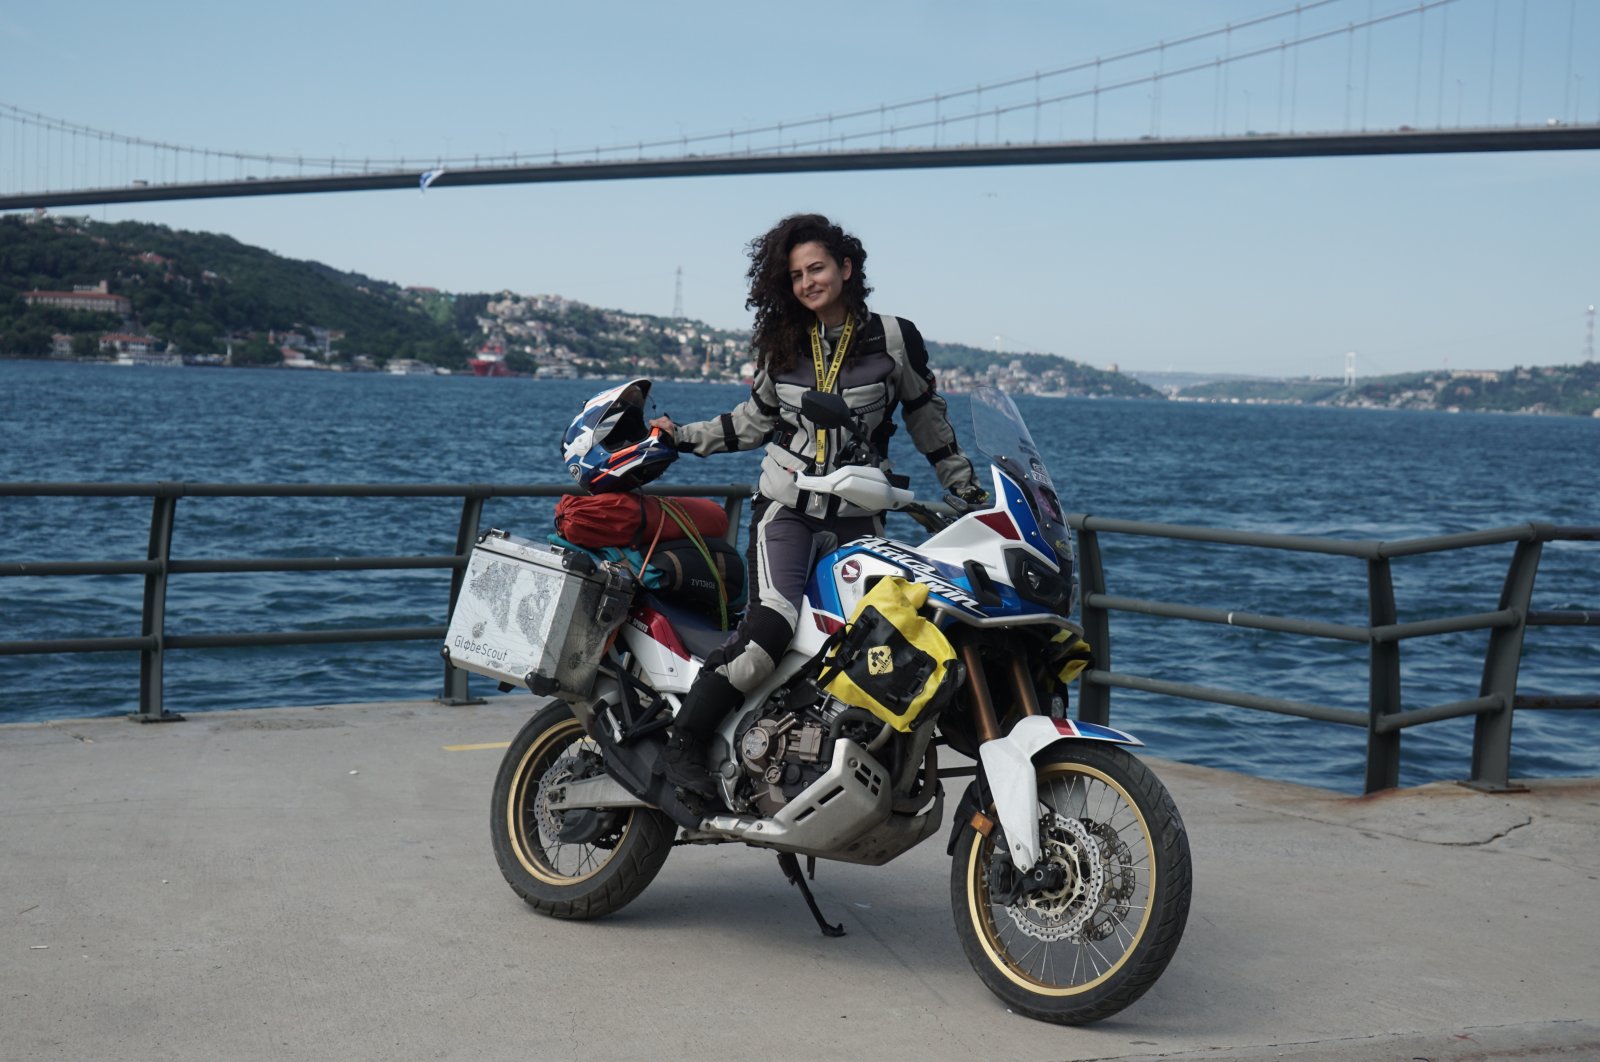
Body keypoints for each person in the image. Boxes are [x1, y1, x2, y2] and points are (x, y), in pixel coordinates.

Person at [648, 212, 988, 795]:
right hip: (789, 509)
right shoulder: (783, 343)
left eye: (818, 268)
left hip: (861, 518)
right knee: (769, 631)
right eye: (797, 274)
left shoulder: (894, 337)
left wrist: (966, 489)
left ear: (846, 267)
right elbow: (751, 423)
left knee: (867, 643)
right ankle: (683, 746)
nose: (809, 282)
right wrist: (680, 436)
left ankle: (815, 760)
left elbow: (927, 417)